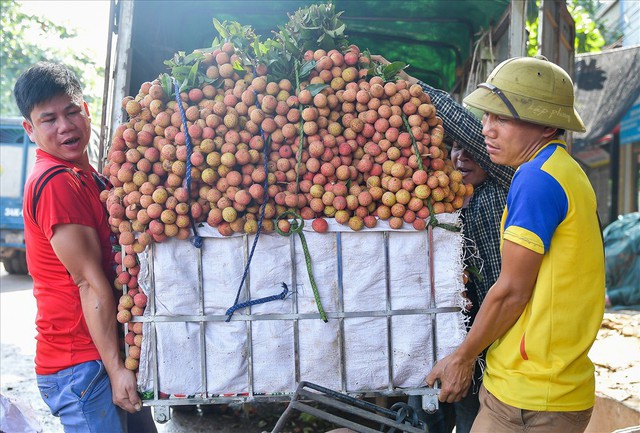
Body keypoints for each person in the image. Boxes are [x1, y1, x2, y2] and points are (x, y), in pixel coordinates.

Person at [422, 55, 605, 433]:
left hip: (536, 396)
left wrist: (463, 357)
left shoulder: (537, 179)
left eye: (501, 118)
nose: (487, 129)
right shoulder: (556, 170)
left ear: (547, 125)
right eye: (486, 116)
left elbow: (512, 292)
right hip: (520, 385)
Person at [373, 55, 514, 433]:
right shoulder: (447, 200)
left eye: (471, 149)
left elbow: (467, 131)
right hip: (446, 337)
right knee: (427, 418)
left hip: (491, 344)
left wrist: (408, 83)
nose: (461, 155)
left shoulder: (507, 186)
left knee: (471, 420)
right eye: (454, 149)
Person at [14, 62, 156, 432]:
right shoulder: (56, 182)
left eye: (71, 111)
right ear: (30, 130)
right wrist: (115, 368)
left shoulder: (90, 179)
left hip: (104, 355)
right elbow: (89, 283)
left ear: (87, 110)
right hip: (83, 364)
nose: (65, 126)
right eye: (48, 119)